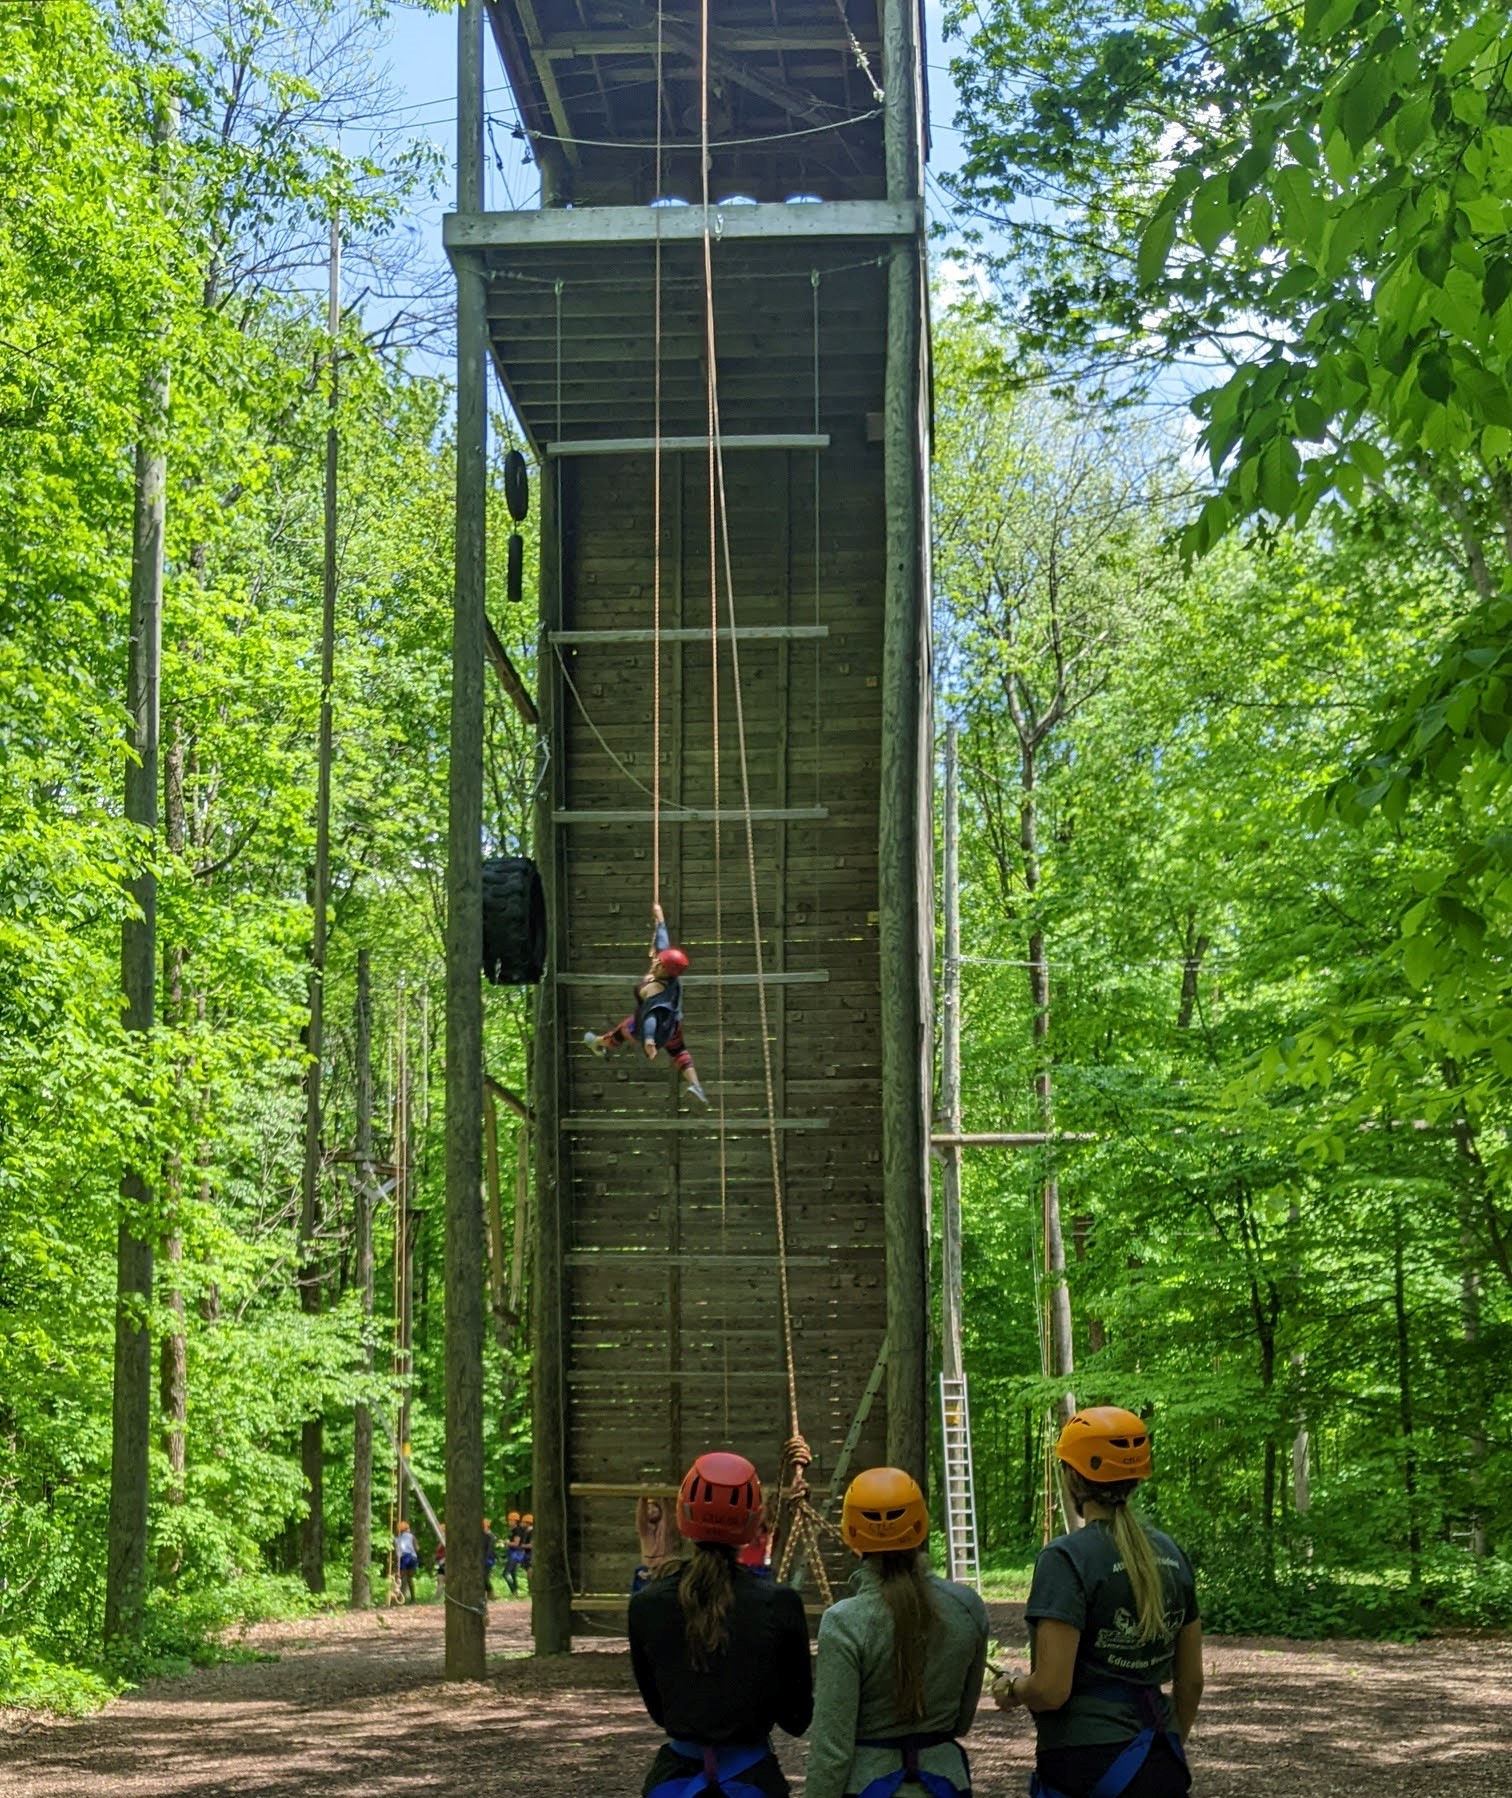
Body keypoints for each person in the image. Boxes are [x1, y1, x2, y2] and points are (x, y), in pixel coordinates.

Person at [993, 1407, 1204, 1798]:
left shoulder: (1066, 1559)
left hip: (1083, 1764)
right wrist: (1168, 1744)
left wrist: (1015, 1687)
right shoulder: (1172, 1554)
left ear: (1074, 1476)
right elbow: (1190, 1682)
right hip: (1160, 1758)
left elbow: (1052, 1689)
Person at [628, 1450, 812, 1798]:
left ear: (683, 1513)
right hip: (753, 1778)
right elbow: (797, 1718)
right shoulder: (780, 1604)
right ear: (752, 1521)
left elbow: (660, 1712)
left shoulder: (646, 1604)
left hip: (675, 1781)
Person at [804, 1467, 988, 1798]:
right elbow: (961, 1722)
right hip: (945, 1783)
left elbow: (833, 1750)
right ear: (920, 1525)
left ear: (851, 1533)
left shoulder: (845, 1622)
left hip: (868, 1785)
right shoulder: (967, 1608)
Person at [584, 903, 708, 1104]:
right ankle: (697, 1086)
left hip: (652, 1027)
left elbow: (651, 1016)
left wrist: (649, 1040)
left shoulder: (654, 990)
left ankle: (597, 1043)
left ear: (663, 968)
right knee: (679, 1051)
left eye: (659, 962)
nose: (656, 961)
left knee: (622, 1031)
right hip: (673, 1025)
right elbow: (663, 946)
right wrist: (660, 920)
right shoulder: (671, 978)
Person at [394, 1519, 419, 1603]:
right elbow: (417, 1548)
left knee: (398, 1577)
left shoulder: (397, 1539)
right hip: (412, 1557)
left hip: (404, 1557)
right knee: (409, 1578)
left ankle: (397, 1597)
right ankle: (413, 1599)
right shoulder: (411, 1536)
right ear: (406, 1529)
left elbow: (396, 1551)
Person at [503, 1512, 525, 1596]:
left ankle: (513, 1590)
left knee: (505, 1573)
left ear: (514, 1521)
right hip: (514, 1553)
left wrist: (506, 1542)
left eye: (510, 1520)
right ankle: (515, 1592)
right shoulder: (514, 1531)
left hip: (515, 1554)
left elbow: (516, 1543)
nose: (508, 1522)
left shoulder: (517, 1531)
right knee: (513, 1573)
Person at [483, 1517, 497, 1598]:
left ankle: (491, 1593)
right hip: (483, 1559)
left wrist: (487, 1558)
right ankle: (487, 1594)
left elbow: (490, 1549)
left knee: (484, 1577)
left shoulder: (490, 1536)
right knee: (482, 1577)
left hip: (488, 1559)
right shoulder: (483, 1535)